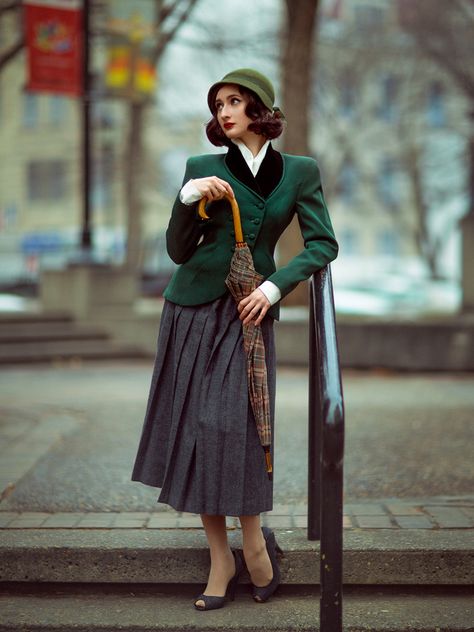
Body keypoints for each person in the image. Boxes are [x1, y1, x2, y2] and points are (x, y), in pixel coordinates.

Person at [131, 68, 338, 610]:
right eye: (219, 103)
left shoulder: (299, 172)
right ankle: (221, 557)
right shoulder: (201, 168)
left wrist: (273, 289)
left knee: (244, 427)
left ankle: (254, 543)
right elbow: (179, 250)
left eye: (237, 102)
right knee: (200, 425)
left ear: (260, 110)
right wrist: (186, 199)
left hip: (250, 311)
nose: (225, 112)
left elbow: (323, 245)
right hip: (193, 309)